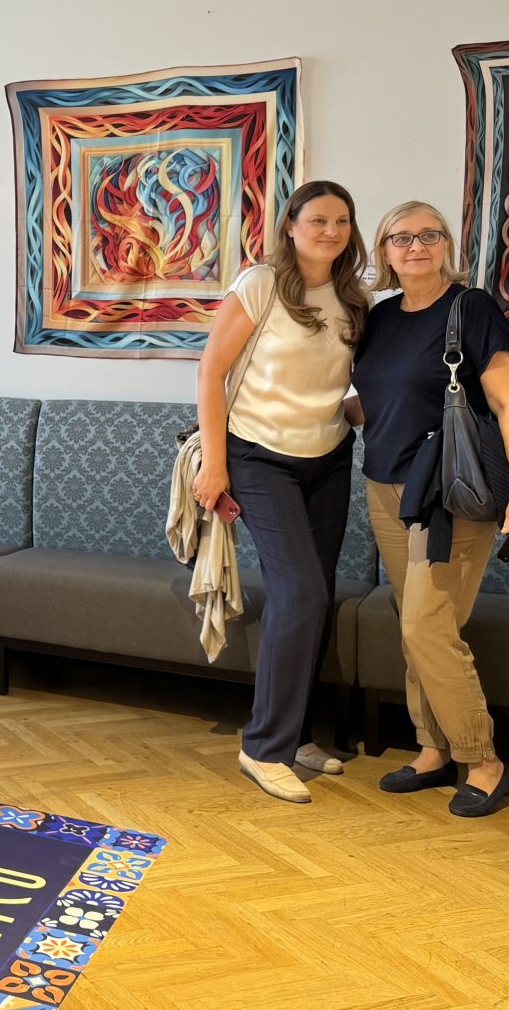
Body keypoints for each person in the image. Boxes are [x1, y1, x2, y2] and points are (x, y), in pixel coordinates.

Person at [350, 200, 509, 818]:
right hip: (385, 488)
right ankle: (432, 749)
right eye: (400, 238)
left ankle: (484, 761)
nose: (415, 246)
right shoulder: (379, 318)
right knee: (419, 627)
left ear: (446, 245)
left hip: (449, 493)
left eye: (428, 235)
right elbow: (373, 400)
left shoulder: (472, 308)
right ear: (383, 252)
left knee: (424, 626)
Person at [193, 181, 370, 804]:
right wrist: (215, 466)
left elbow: (340, 386)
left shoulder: (355, 297)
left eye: (342, 221)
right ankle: (263, 748)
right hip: (258, 455)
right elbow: (212, 370)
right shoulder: (260, 285)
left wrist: (362, 413)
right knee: (298, 593)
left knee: (316, 597)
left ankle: (294, 737)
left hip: (327, 458)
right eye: (318, 219)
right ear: (291, 225)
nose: (331, 230)